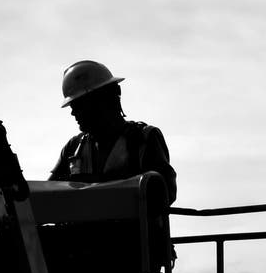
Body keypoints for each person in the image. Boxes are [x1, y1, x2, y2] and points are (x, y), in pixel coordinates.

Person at [49, 60, 177, 204]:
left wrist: (98, 188)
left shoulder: (143, 139)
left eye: (79, 105)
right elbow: (46, 196)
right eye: (73, 106)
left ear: (103, 99)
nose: (73, 113)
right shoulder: (73, 148)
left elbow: (165, 194)